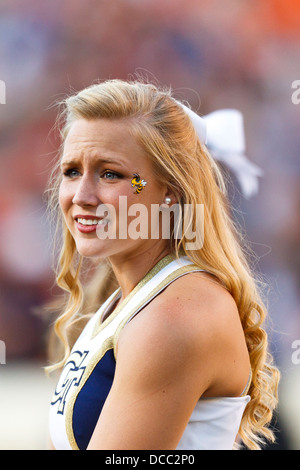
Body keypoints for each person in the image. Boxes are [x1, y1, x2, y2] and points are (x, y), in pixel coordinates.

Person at [46, 78, 279, 450]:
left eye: (110, 173)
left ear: (169, 190)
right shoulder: (125, 302)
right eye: (71, 171)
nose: (82, 196)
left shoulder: (172, 316)